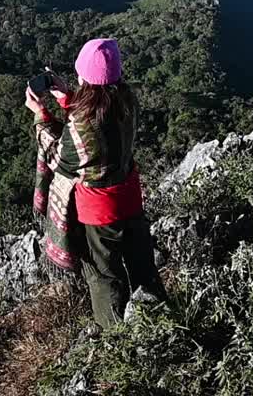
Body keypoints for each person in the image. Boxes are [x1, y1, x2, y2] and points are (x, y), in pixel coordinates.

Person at [26, 37, 165, 330]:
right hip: (130, 197)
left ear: (83, 77)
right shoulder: (127, 101)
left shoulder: (82, 122)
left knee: (104, 276)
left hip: (99, 213)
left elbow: (61, 159)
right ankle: (162, 321)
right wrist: (66, 98)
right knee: (143, 265)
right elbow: (99, 125)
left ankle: (116, 338)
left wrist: (41, 116)